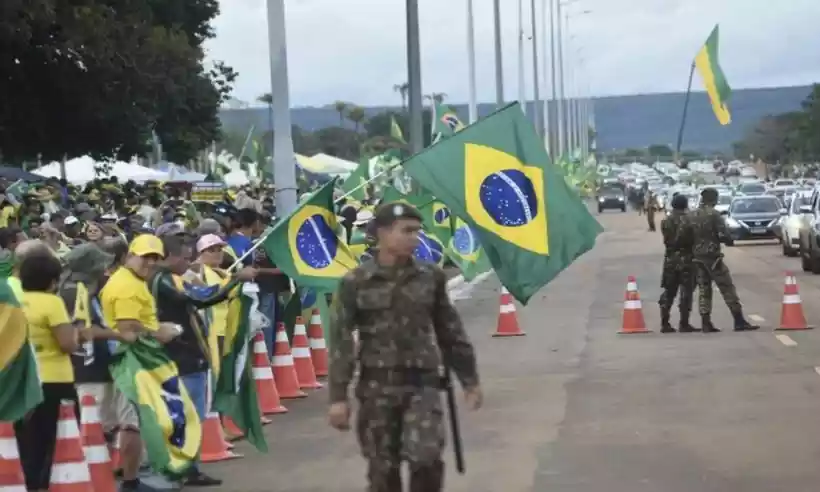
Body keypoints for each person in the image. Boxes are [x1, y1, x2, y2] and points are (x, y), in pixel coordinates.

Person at [327, 203, 483, 492]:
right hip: (376, 388)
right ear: (383, 233)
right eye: (406, 231)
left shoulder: (430, 277)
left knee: (426, 459)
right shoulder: (356, 282)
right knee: (382, 471)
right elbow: (342, 341)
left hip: (422, 386)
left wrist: (469, 380)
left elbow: (450, 330)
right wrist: (338, 397)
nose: (413, 237)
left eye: (416, 231)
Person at [149, 235, 256, 487]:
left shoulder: (166, 280)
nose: (188, 263)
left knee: (188, 416)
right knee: (188, 416)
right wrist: (235, 280)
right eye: (184, 258)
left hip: (184, 354)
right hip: (183, 356)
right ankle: (183, 468)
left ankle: (187, 467)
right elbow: (202, 297)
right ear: (168, 258)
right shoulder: (163, 282)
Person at [100, 234, 182, 492]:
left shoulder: (131, 281)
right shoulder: (127, 286)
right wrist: (159, 331)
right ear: (129, 256)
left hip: (132, 359)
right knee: (131, 424)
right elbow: (127, 328)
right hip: (130, 361)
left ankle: (133, 476)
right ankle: (131, 481)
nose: (149, 263)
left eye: (154, 258)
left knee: (132, 422)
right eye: (144, 257)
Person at [15, 250, 82, 492]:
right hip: (55, 380)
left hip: (23, 381)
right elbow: (67, 344)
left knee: (28, 442)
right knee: (56, 440)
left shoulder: (13, 301)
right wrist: (77, 336)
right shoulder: (52, 303)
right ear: (53, 281)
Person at [685, 188, 759, 332]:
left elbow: (686, 237)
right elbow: (723, 234)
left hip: (698, 257)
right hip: (713, 258)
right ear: (713, 199)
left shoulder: (691, 215)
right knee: (727, 288)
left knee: (704, 290)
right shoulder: (714, 214)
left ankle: (705, 322)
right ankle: (739, 320)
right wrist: (729, 240)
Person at [658, 194, 698, 333]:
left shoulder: (666, 221)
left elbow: (667, 239)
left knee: (669, 292)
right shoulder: (690, 220)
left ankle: (664, 322)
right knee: (686, 292)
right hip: (686, 259)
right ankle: (684, 323)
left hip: (670, 259)